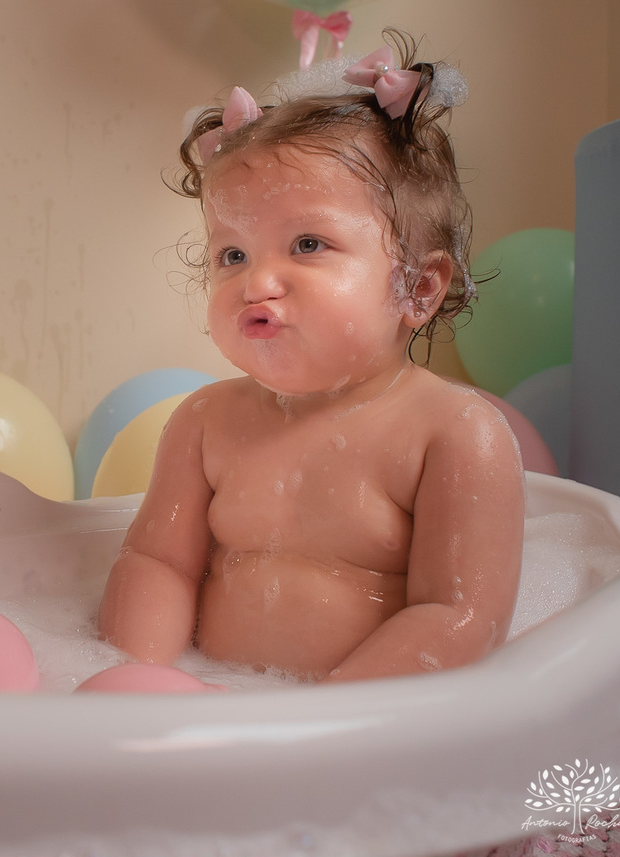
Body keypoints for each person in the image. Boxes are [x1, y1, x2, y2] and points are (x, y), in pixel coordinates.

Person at [98, 32, 525, 683]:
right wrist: (137, 676)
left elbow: (460, 616)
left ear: (418, 286)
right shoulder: (205, 423)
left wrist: (324, 722)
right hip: (216, 707)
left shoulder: (455, 436)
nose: (256, 282)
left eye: (306, 243)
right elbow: (157, 564)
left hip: (367, 735)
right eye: (232, 254)